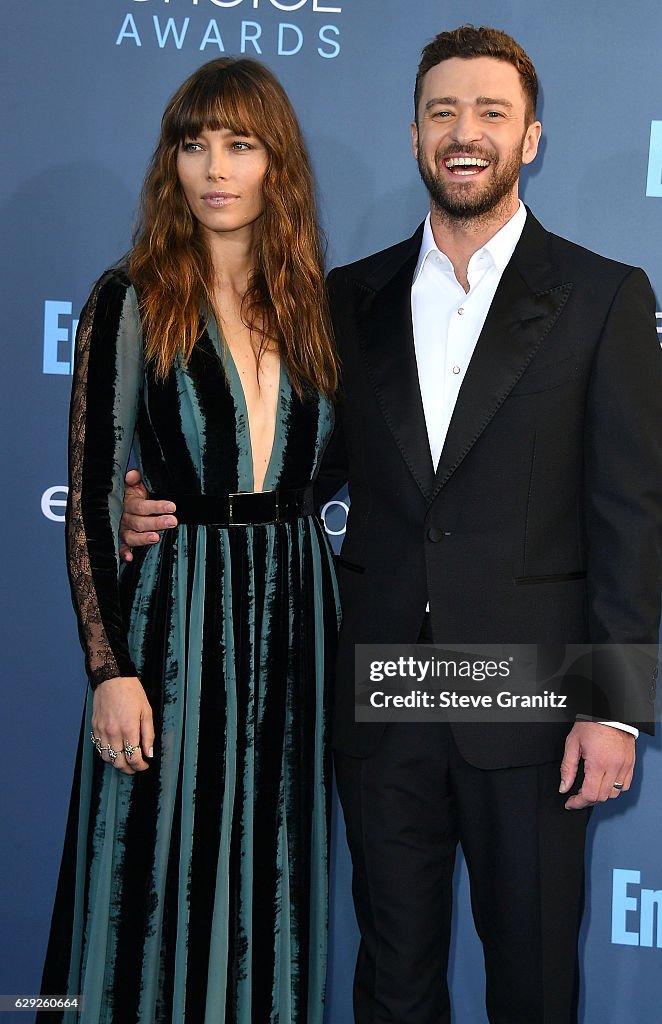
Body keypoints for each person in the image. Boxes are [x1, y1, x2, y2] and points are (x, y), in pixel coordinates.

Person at [121, 26, 662, 1024]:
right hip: (381, 700)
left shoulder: (601, 298)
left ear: (530, 138)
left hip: (532, 707)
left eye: (489, 114)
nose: (465, 133)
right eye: (443, 112)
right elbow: (293, 463)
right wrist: (162, 492)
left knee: (534, 980)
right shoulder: (344, 300)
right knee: (391, 981)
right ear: (413, 134)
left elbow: (632, 513)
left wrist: (614, 706)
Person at [39, 57, 339, 1024]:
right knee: (150, 873)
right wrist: (109, 669)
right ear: (171, 162)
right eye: (193, 144)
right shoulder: (128, 299)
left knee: (274, 865)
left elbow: (336, 470)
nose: (215, 167)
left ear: (274, 165)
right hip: (172, 624)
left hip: (297, 623)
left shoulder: (315, 308)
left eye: (239, 145)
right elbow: (89, 501)